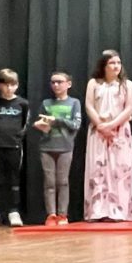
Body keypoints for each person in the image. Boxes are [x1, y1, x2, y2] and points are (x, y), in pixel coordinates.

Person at [84, 49, 132, 222]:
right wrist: (101, 125)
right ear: (104, 65)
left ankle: (119, 210)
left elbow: (129, 108)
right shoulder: (94, 83)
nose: (116, 66)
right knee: (97, 169)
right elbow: (89, 105)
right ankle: (97, 210)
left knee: (119, 170)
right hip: (98, 132)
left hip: (119, 132)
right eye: (112, 63)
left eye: (118, 63)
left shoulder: (127, 85)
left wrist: (111, 125)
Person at [0, 68, 30, 228]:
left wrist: (17, 138)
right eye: (6, 85)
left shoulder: (22, 104)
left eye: (13, 85)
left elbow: (25, 124)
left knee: (13, 179)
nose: (9, 88)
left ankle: (13, 211)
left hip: (14, 146)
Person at [34, 71, 81, 226]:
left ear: (68, 84)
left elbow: (75, 125)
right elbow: (41, 123)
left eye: (59, 82)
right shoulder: (46, 103)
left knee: (63, 181)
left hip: (65, 147)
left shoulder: (74, 103)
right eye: (53, 82)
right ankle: (51, 214)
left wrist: (57, 120)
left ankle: (62, 214)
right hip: (47, 146)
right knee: (49, 182)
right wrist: (41, 125)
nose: (56, 85)